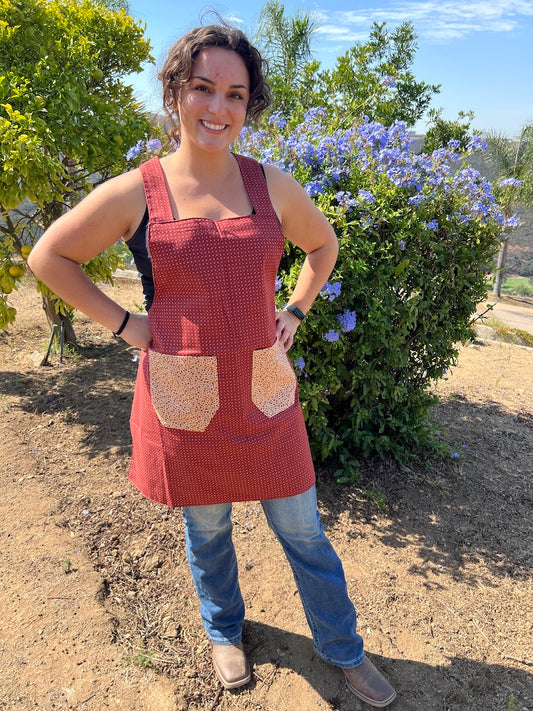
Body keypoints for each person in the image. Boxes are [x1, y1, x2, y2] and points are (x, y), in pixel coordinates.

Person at [28, 20, 396, 708]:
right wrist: (126, 325)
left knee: (303, 530)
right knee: (207, 530)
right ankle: (223, 630)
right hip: (185, 394)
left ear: (247, 105)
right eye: (202, 88)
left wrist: (296, 310)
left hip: (264, 394)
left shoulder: (269, 186)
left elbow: (322, 246)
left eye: (234, 93)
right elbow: (49, 256)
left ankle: (342, 648)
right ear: (175, 94)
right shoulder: (137, 191)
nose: (218, 108)